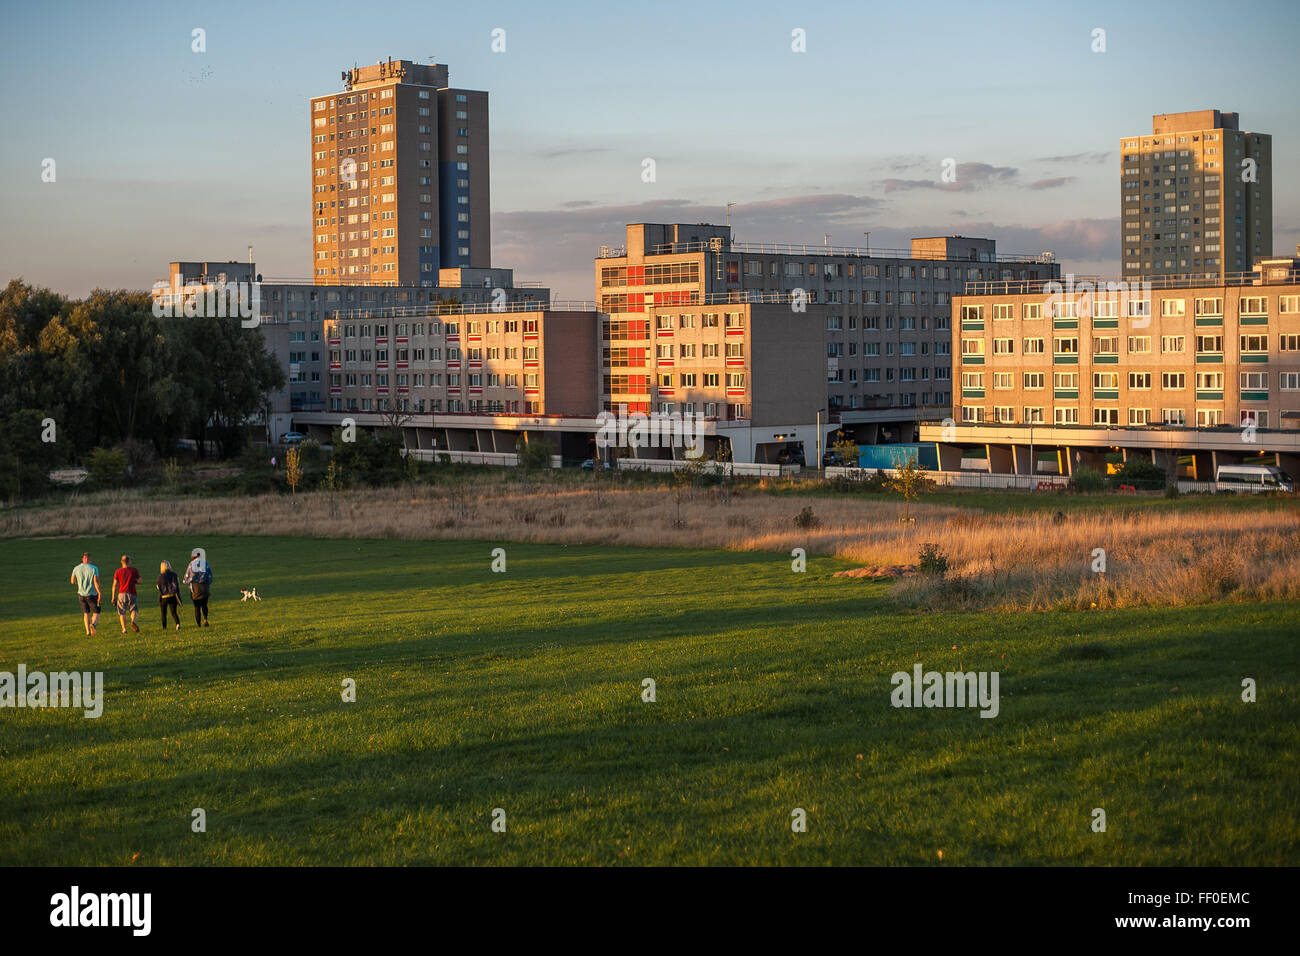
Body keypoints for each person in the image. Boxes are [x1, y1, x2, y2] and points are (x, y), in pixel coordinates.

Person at [70, 552, 101, 636]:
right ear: (90, 559)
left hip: (81, 594)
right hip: (92, 594)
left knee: (86, 613)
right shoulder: (94, 568)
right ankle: (93, 625)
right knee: (96, 612)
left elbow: (72, 581)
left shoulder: (76, 568)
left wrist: (79, 582)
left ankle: (88, 631)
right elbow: (96, 582)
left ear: (82, 559)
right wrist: (99, 593)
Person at [112, 554, 141, 633]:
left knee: (122, 611)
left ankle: (124, 629)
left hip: (121, 594)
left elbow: (115, 585)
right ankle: (133, 621)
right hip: (132, 592)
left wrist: (113, 597)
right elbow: (140, 581)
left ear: (121, 562)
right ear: (129, 562)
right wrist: (134, 580)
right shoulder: (134, 570)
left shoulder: (118, 571)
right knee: (134, 609)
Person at [183, 550, 212, 627]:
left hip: (195, 588)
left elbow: (186, 578)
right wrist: (207, 583)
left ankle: (199, 624)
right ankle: (205, 619)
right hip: (204, 586)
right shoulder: (205, 563)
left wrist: (187, 581)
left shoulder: (191, 564)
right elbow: (210, 576)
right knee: (205, 605)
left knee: (197, 607)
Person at [157, 560, 183, 631]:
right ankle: (177, 624)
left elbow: (158, 586)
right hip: (173, 596)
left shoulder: (160, 576)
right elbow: (177, 584)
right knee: (174, 612)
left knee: (163, 613)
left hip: (164, 597)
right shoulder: (174, 574)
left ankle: (164, 627)